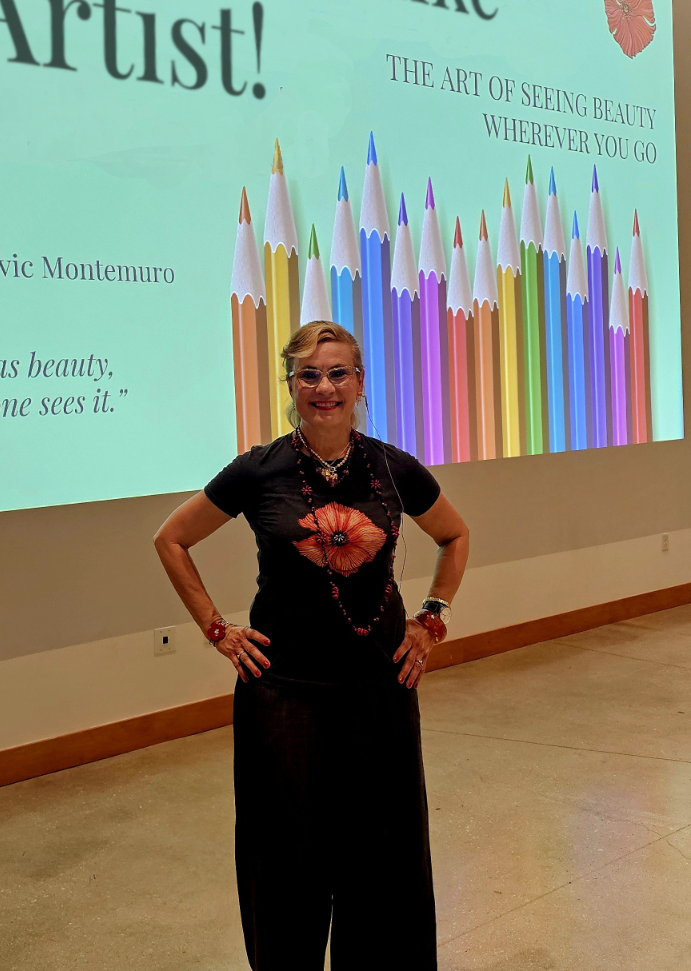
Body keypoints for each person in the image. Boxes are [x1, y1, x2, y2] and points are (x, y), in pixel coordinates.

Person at [154, 320, 470, 970]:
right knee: (287, 861)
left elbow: (455, 534)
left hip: (381, 691)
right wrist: (218, 629)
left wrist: (431, 618)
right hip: (284, 699)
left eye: (338, 373)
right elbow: (171, 538)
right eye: (309, 375)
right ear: (292, 385)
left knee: (383, 859)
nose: (324, 387)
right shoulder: (258, 470)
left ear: (359, 384)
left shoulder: (390, 466)